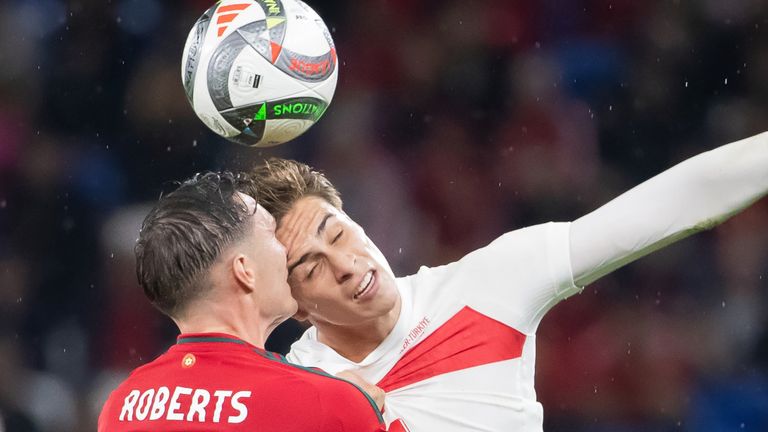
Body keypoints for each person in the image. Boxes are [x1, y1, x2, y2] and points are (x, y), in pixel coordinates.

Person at [246, 131, 768, 431]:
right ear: (295, 306)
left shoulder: (489, 283)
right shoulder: (292, 394)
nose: (344, 264)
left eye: (337, 233)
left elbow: (676, 201)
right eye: (310, 267)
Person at [98, 172, 391, 432]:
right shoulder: (328, 405)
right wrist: (348, 406)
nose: (286, 252)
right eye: (271, 234)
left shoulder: (122, 406)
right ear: (244, 271)